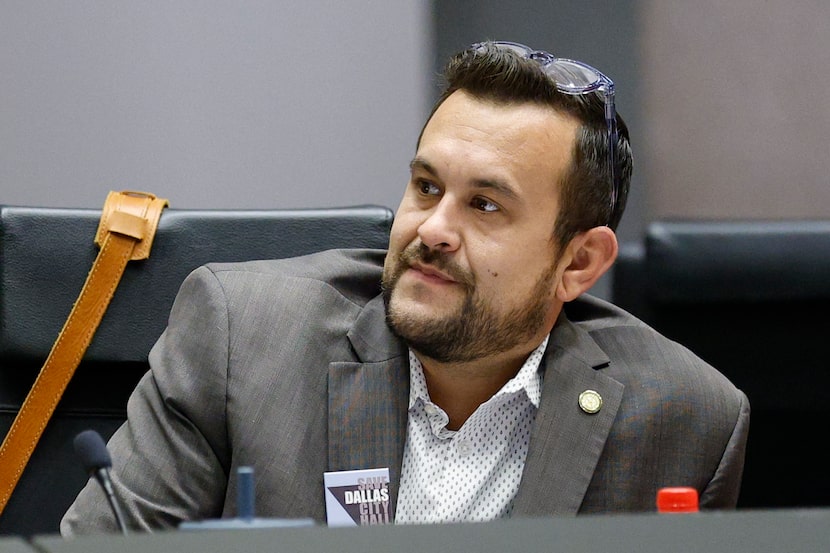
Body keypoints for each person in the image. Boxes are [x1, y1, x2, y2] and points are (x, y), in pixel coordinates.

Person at [61, 40, 749, 534]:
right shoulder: (244, 335)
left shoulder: (683, 418)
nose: (433, 228)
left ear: (579, 263)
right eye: (426, 186)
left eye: (485, 205)